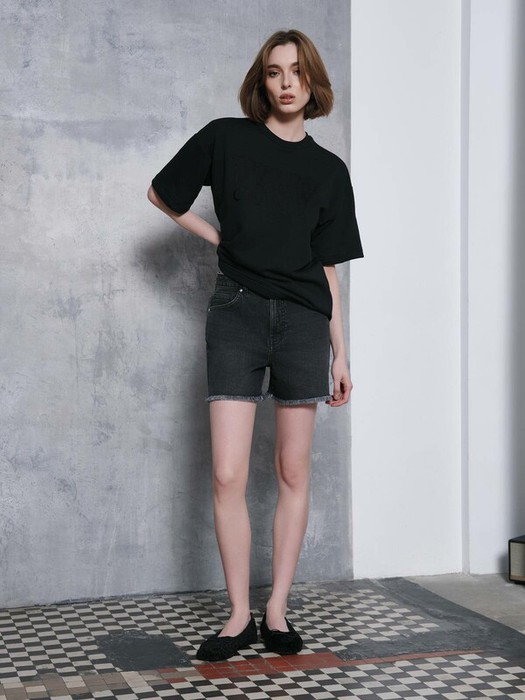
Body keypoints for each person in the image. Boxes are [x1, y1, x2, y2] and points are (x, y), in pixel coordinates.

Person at [147, 28, 363, 662]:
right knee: (227, 472)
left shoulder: (329, 171)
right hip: (236, 314)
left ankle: (277, 610)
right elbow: (162, 193)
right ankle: (238, 615)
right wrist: (222, 242)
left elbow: (329, 270)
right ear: (261, 82)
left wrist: (341, 353)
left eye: (297, 71)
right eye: (274, 72)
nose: (287, 82)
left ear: (312, 82)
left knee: (293, 471)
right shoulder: (227, 138)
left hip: (303, 322)